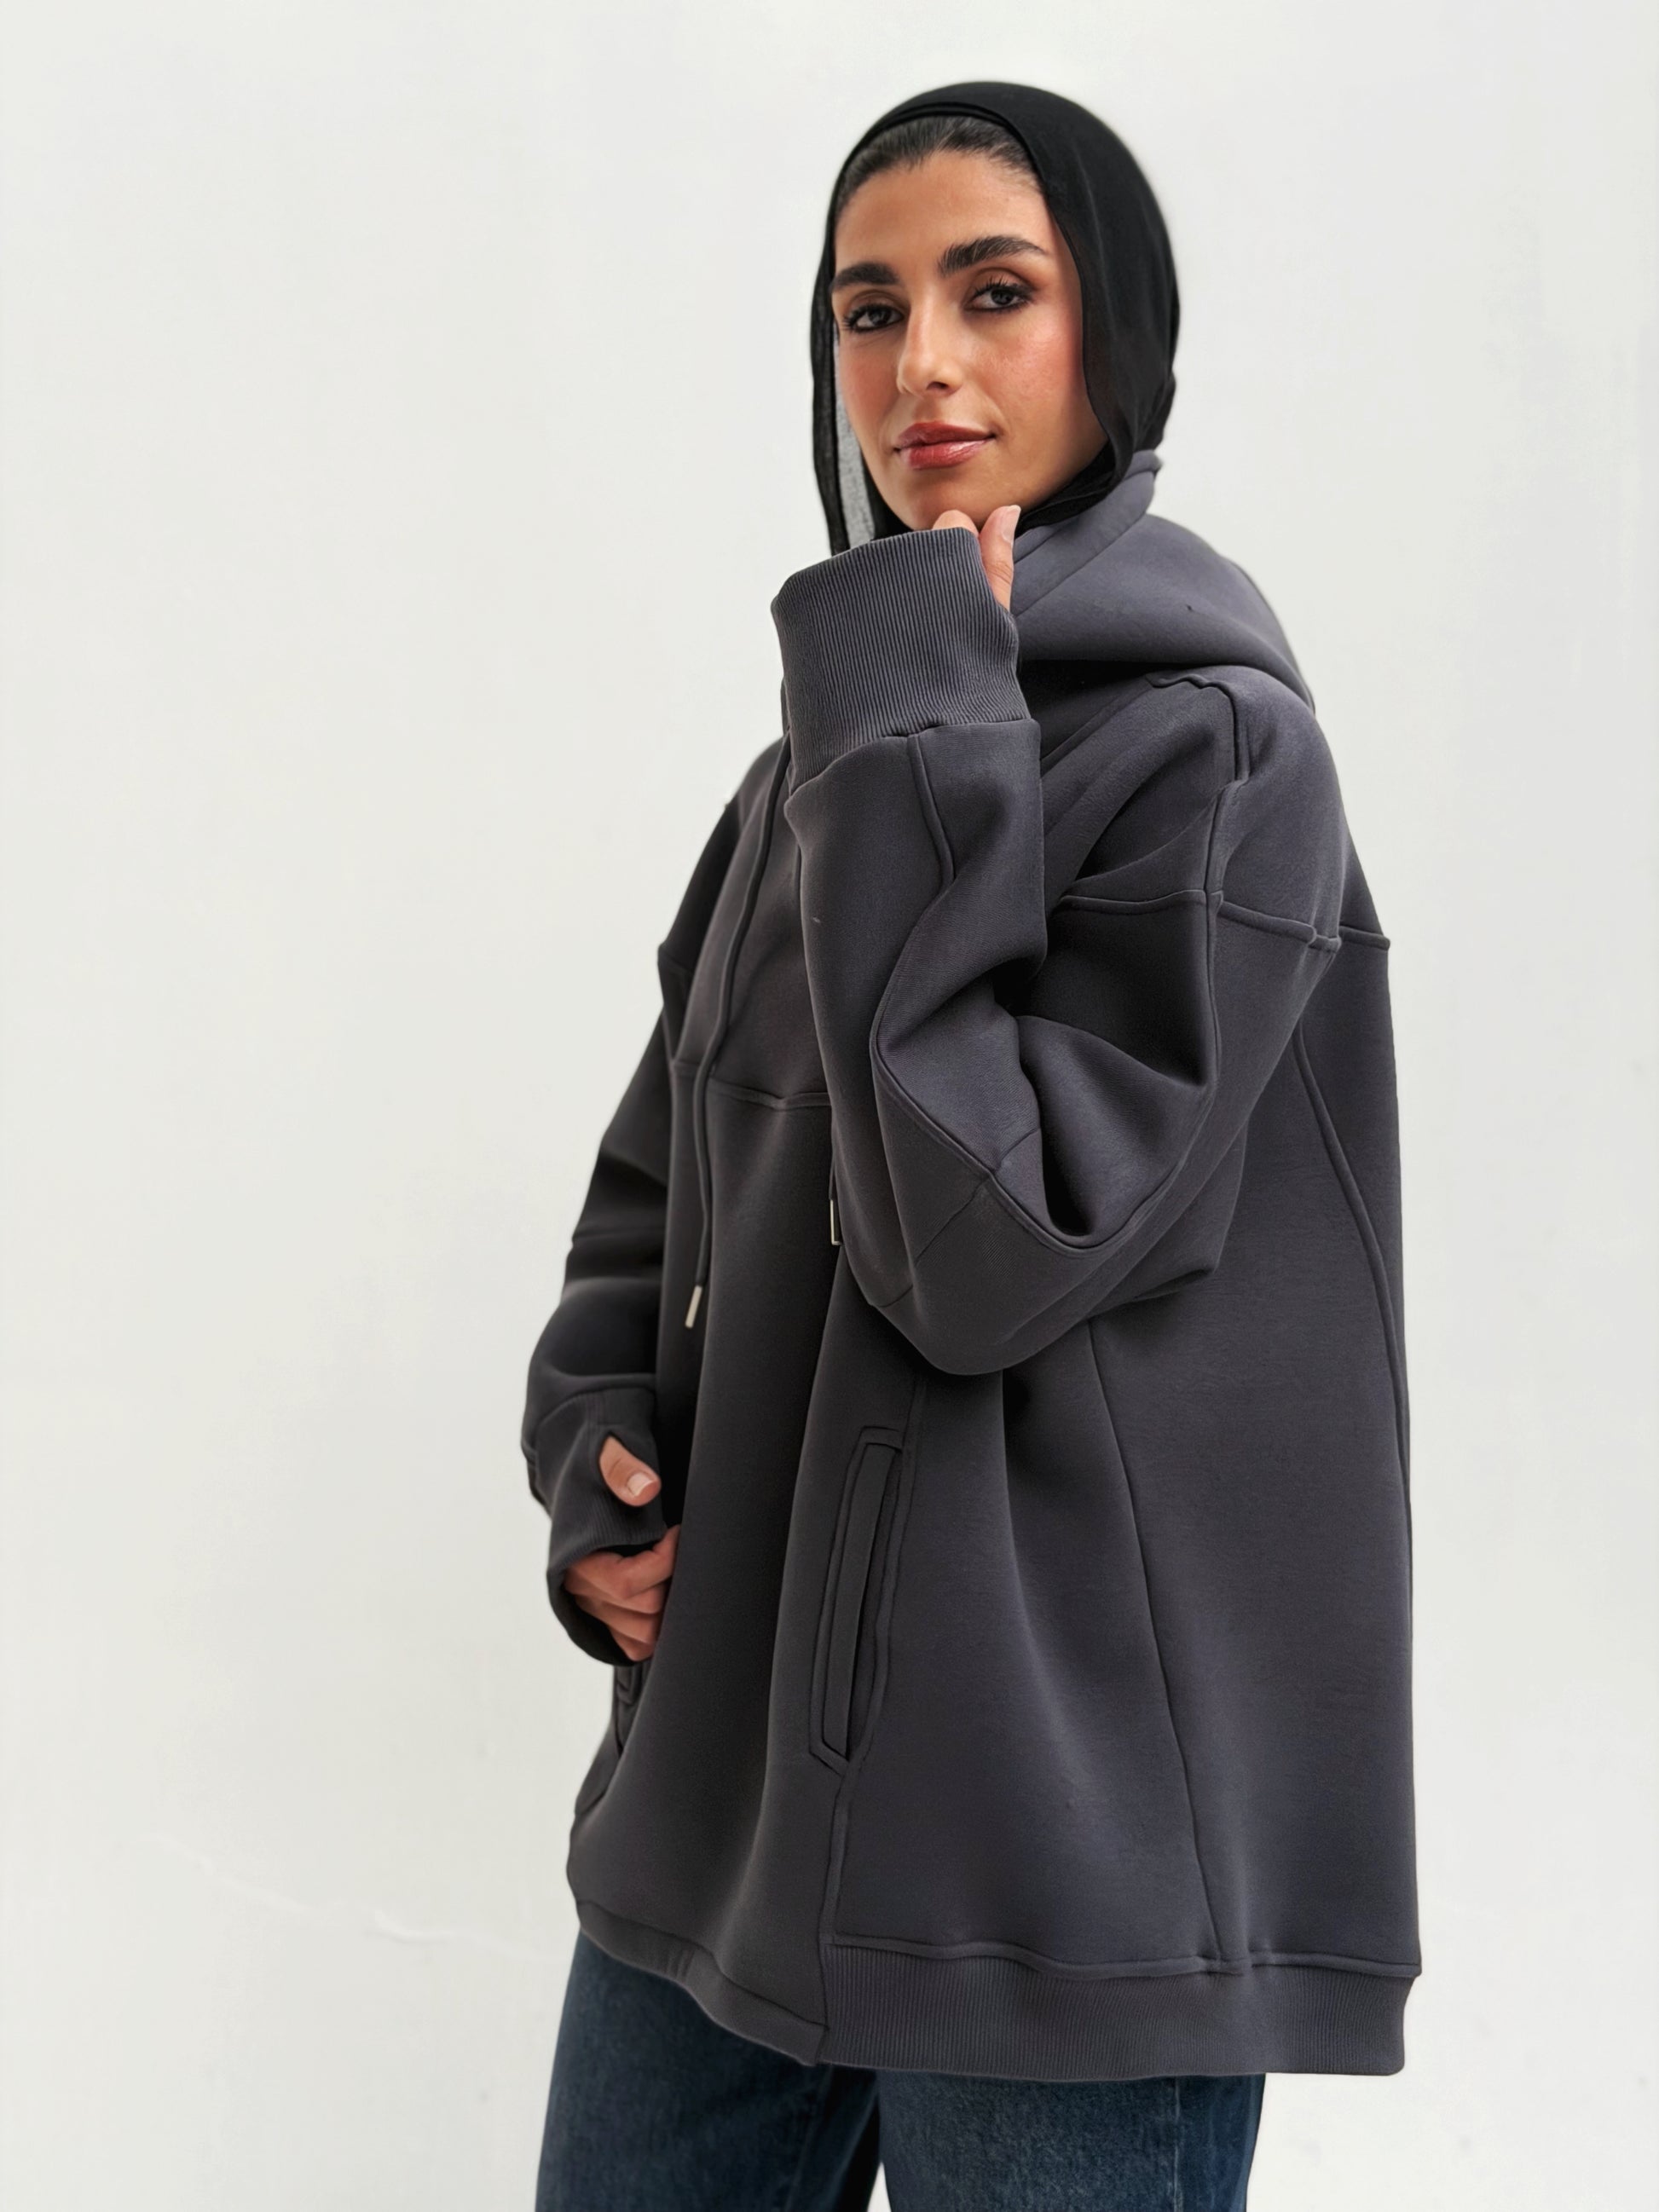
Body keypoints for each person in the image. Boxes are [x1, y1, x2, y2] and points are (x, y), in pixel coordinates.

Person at [519, 78, 1418, 2211]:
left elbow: (981, 1250)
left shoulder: (1216, 759)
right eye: (867, 309)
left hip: (1056, 1860)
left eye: (992, 292)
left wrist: (915, 713)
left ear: (1117, 335)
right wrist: (598, 1453)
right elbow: (664, 1193)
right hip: (737, 1794)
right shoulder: (818, 770)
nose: (917, 363)